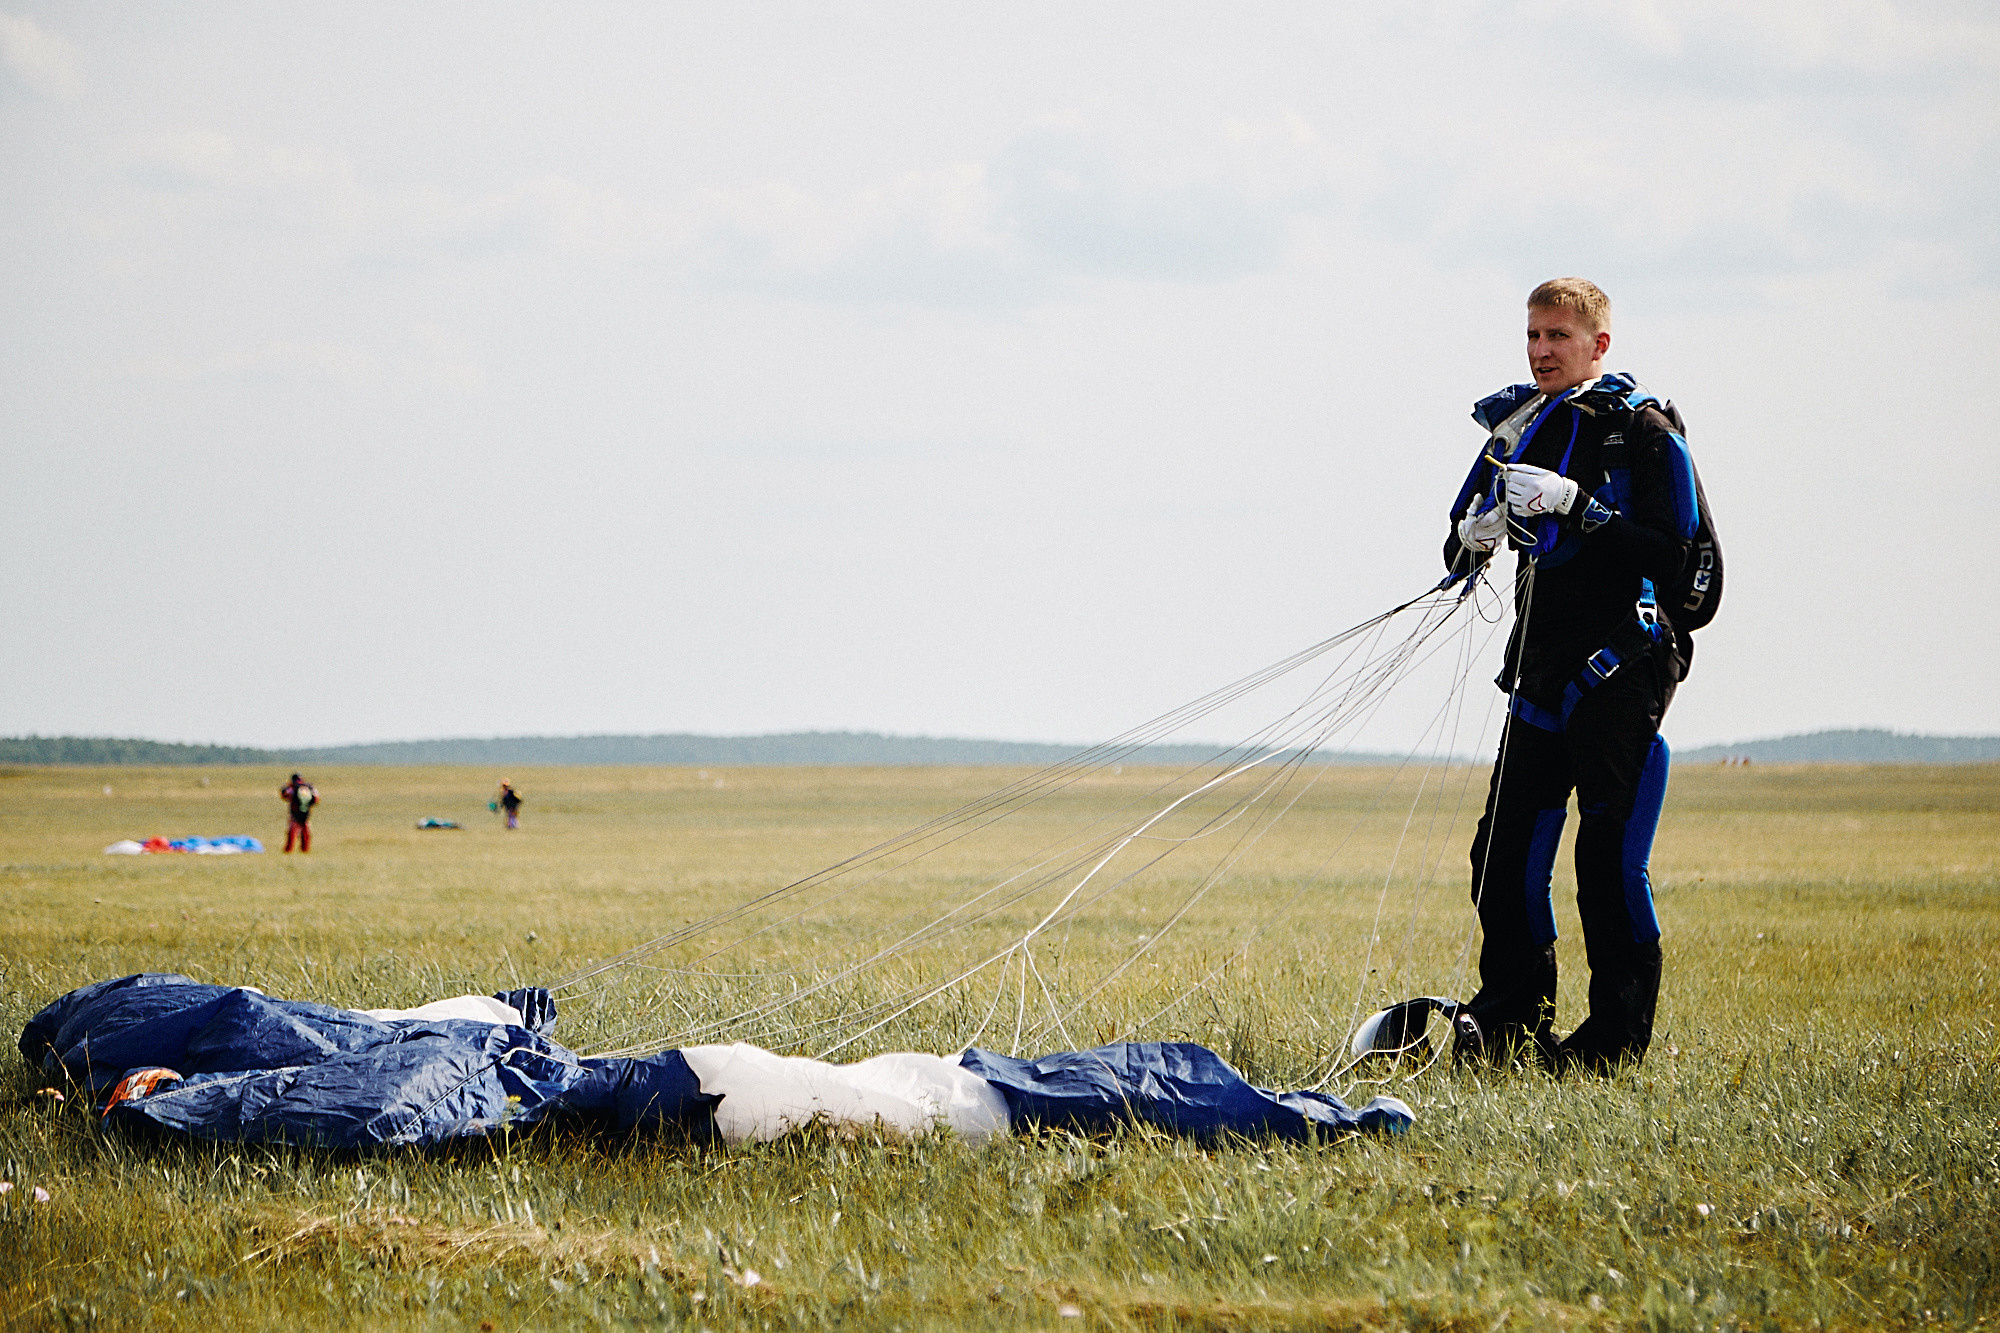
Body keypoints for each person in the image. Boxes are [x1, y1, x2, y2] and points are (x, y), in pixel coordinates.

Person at [1442, 278, 1715, 1074]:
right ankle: (1509, 1023)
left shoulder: (1644, 431)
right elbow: (1454, 557)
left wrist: (1581, 507)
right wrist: (1477, 533)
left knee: (1605, 859)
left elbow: (1675, 556)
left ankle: (1611, 1043)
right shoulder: (1519, 429)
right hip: (1537, 668)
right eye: (1532, 335)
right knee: (1502, 854)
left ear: (1599, 344)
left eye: (1558, 336)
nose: (1540, 351)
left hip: (1623, 665)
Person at [280, 773, 317, 853]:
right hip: (305, 814)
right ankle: (305, 850)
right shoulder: (308, 787)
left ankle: (288, 850)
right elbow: (315, 799)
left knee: (292, 833)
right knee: (305, 833)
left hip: (295, 814)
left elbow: (285, 794)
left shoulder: (292, 788)